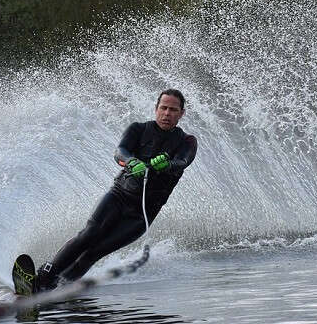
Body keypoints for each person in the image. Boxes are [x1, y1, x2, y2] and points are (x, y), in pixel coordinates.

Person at [36, 89, 198, 290]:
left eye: (173, 110)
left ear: (182, 113)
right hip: (118, 196)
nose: (167, 113)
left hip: (142, 214)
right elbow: (119, 152)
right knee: (90, 234)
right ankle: (45, 275)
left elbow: (183, 161)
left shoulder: (187, 141)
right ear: (156, 109)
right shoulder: (138, 129)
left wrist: (168, 164)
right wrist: (130, 162)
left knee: (96, 251)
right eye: (163, 108)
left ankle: (60, 286)